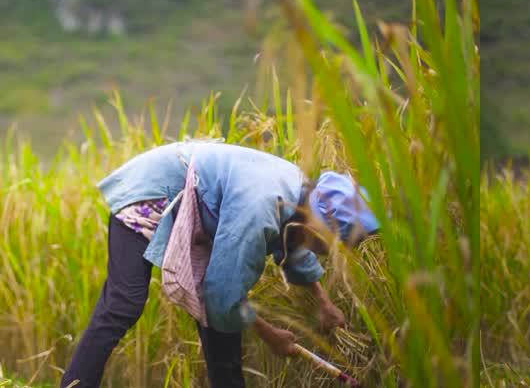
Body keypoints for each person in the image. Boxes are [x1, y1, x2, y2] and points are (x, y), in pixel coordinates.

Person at [60, 141, 379, 388]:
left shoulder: (299, 197)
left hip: (200, 209)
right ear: (319, 224)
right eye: (331, 243)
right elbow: (223, 294)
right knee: (124, 304)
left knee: (221, 325)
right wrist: (270, 335)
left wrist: (322, 303)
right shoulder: (261, 206)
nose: (328, 251)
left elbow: (292, 244)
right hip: (153, 194)